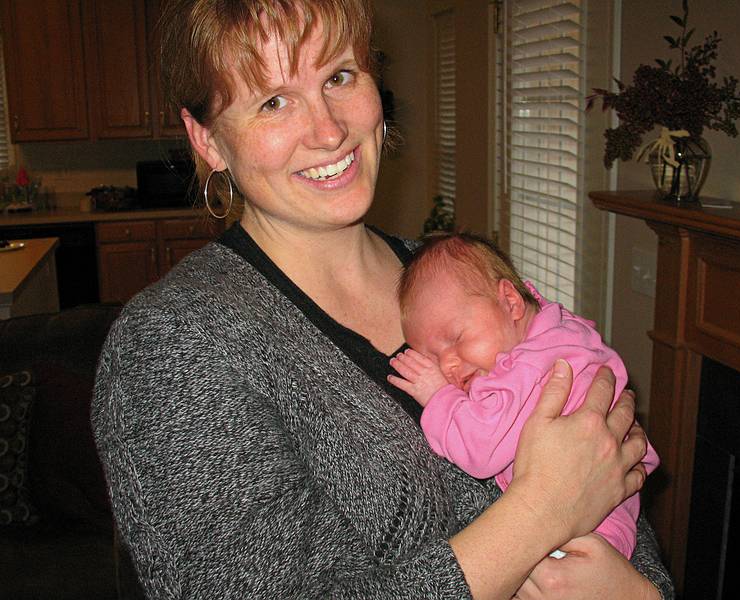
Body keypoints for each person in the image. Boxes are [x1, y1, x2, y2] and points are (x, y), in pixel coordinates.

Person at [91, 1, 674, 598]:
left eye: (339, 78)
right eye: (274, 101)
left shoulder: (454, 279)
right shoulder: (172, 347)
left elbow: (613, 476)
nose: (330, 131)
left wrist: (641, 593)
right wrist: (540, 513)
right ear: (207, 139)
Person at [388, 233, 660, 560]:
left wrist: (438, 396)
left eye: (456, 337)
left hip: (590, 530)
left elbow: (481, 449)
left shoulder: (526, 366)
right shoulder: (556, 331)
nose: (447, 364)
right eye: (432, 357)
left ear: (511, 302)